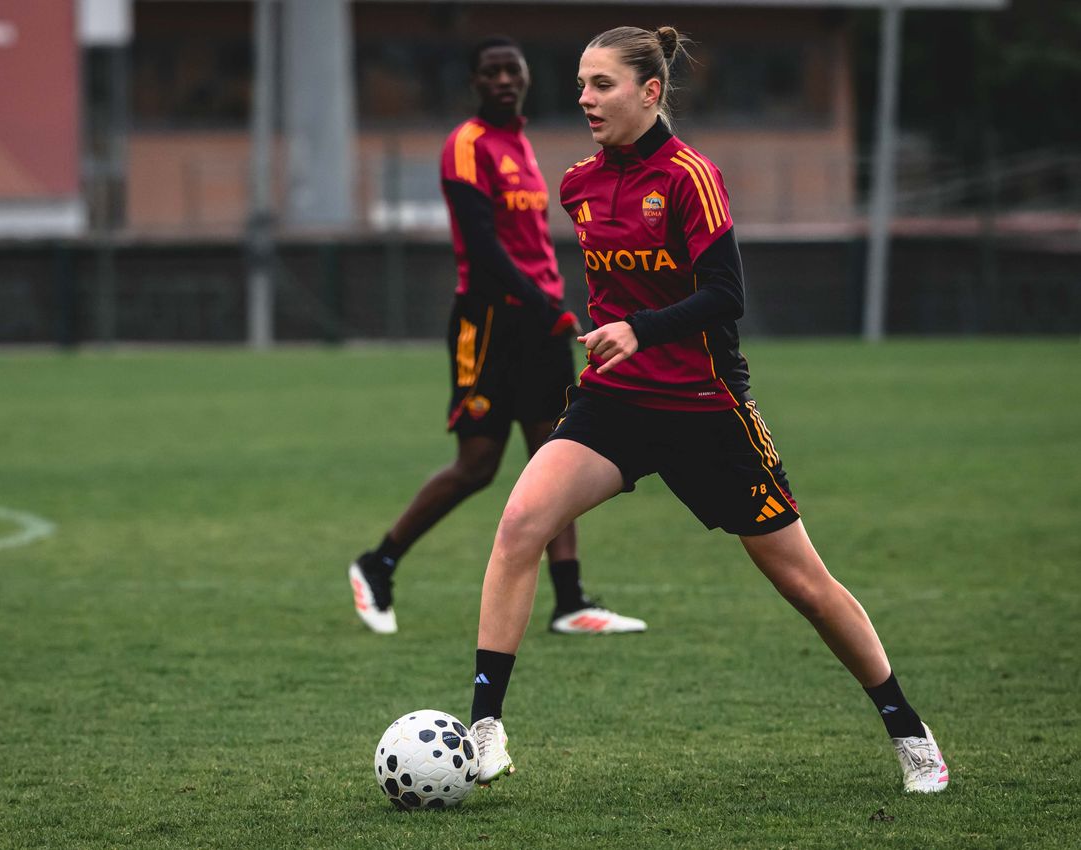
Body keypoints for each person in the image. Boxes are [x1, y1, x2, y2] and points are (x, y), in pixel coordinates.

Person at [466, 26, 948, 795]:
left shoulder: (691, 176)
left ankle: (907, 729)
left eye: (601, 85)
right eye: (581, 84)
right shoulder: (578, 184)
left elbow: (728, 296)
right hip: (616, 404)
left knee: (804, 585)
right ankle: (483, 727)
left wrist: (638, 328)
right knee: (521, 522)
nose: (584, 99)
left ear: (649, 91)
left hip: (705, 408)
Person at [347, 36, 646, 638]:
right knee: (477, 465)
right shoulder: (467, 144)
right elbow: (482, 250)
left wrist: (552, 304)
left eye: (513, 69)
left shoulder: (522, 146)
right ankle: (377, 564)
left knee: (556, 456)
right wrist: (546, 306)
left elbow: (530, 245)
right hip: (488, 324)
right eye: (491, 71)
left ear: (528, 77)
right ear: (477, 82)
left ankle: (569, 602)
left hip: (539, 321)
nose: (504, 78)